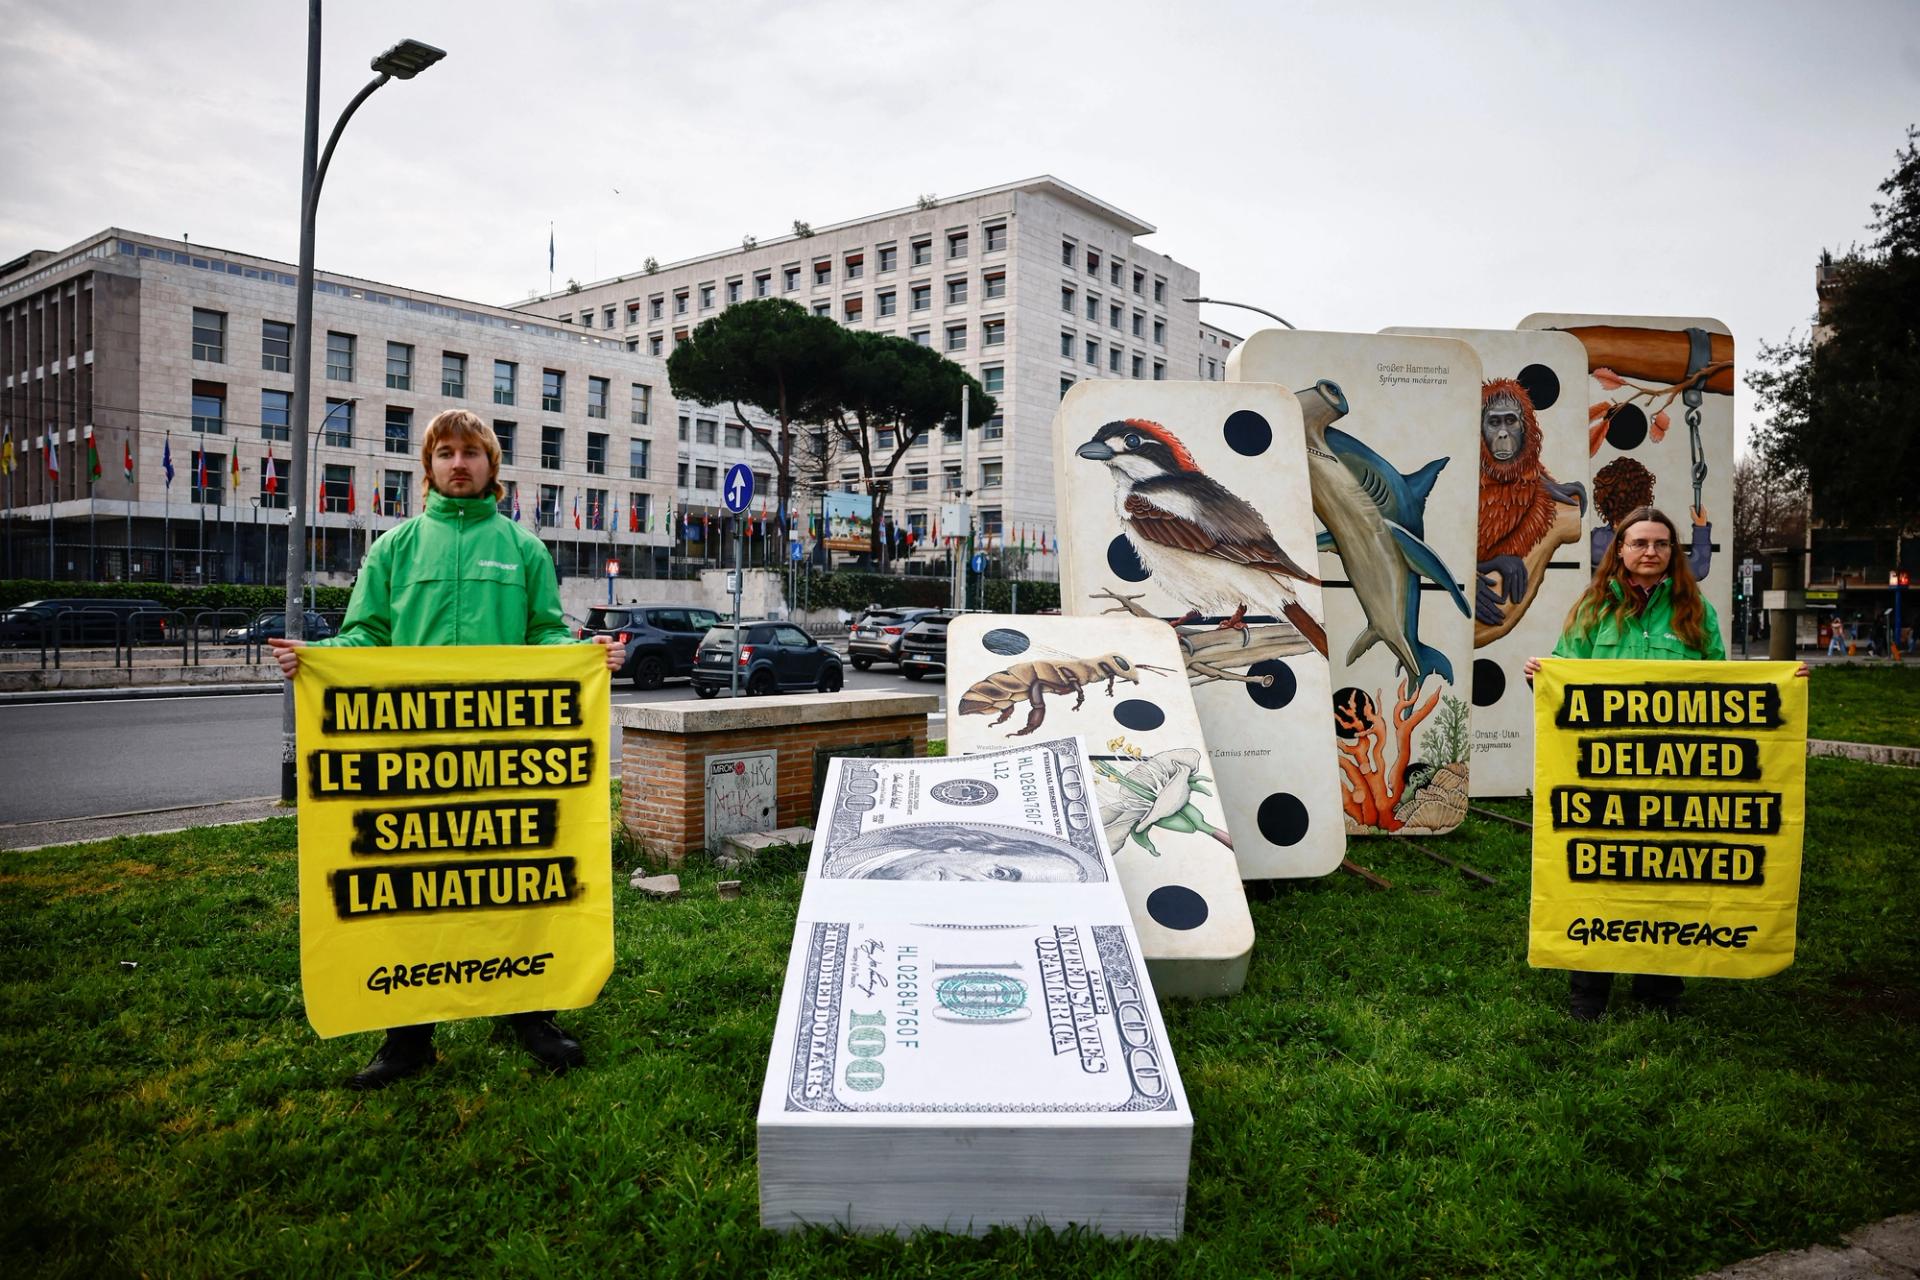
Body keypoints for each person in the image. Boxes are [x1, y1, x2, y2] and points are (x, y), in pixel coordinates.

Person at [270, 409, 623, 1088]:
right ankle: (407, 1039)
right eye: (446, 454)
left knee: (516, 884)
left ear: (492, 466)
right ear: (428, 467)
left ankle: (531, 1013)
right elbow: (366, 637)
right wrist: (317, 660)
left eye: (471, 453)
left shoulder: (524, 550)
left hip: (507, 757)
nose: (458, 464)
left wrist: (582, 656)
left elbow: (545, 635)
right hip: (416, 760)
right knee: (414, 892)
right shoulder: (395, 549)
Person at [1524, 506, 1805, 1021]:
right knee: (1598, 873)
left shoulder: (1697, 613)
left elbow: (1722, 690)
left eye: (1660, 544)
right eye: (1639, 543)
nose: (1650, 551)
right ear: (1621, 551)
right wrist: (1541, 677)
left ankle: (1660, 990)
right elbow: (1566, 676)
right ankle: (1589, 992)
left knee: (1670, 874)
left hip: (1678, 779)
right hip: (1603, 776)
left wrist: (1778, 687)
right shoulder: (1592, 610)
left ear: (1674, 553)